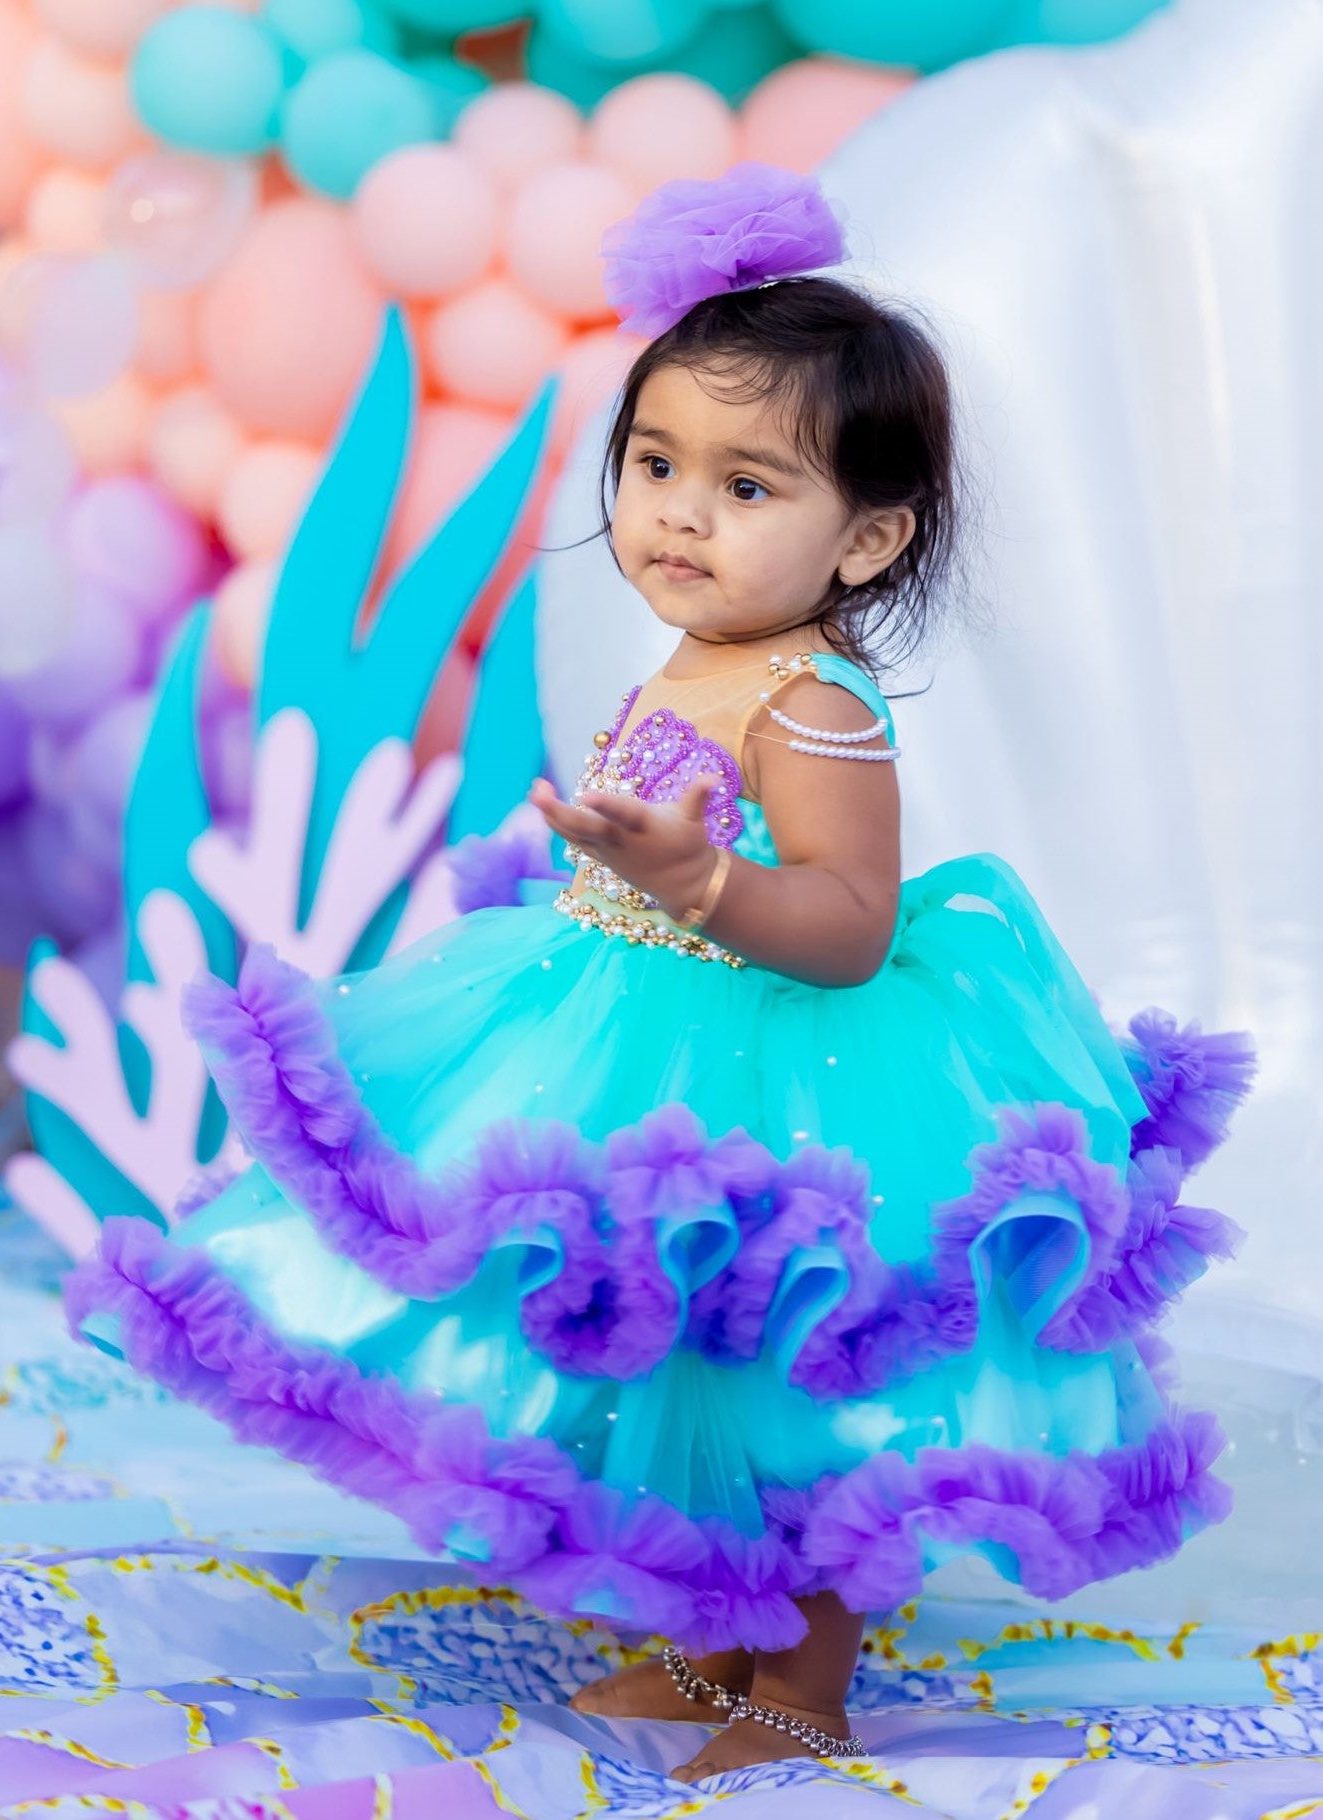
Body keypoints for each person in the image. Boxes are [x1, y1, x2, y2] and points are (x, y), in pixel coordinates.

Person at [64, 163, 1257, 1786]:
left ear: (871, 536)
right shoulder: (695, 651)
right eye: (653, 463)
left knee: (778, 1369)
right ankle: (705, 1645)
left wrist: (700, 876)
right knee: (670, 1350)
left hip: (788, 1069)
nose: (679, 514)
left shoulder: (816, 705)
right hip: (622, 1021)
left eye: (748, 486)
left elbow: (844, 925)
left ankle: (801, 1685)